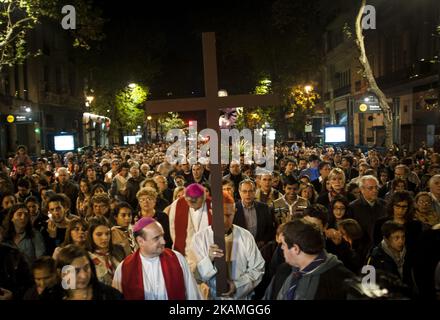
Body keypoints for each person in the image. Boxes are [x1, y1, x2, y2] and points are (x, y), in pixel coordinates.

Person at [189, 191, 265, 299]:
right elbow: (194, 276)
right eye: (220, 215)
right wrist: (209, 259)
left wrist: (237, 285)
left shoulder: (245, 236)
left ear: (235, 211)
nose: (224, 220)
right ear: (211, 212)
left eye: (229, 215)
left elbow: (258, 268)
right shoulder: (199, 239)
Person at [112, 217, 201, 300]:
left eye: (162, 236)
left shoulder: (177, 258)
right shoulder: (124, 268)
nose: (163, 241)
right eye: (156, 238)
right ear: (140, 241)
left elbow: (193, 294)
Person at [264, 219, 354, 300]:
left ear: (296, 249)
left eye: (283, 244)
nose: (281, 248)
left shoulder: (342, 281)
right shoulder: (283, 270)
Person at [57, 244, 123, 300]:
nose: (84, 275)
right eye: (76, 271)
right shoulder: (55, 296)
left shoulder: (109, 294)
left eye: (86, 267)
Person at [367, 221, 413, 293]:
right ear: (386, 239)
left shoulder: (409, 252)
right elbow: (369, 284)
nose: (401, 241)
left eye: (403, 237)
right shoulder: (375, 257)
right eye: (396, 238)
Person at [168, 183, 212, 257]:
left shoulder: (211, 205)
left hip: (207, 252)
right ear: (186, 198)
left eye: (197, 202)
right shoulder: (177, 205)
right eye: (191, 202)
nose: (193, 206)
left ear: (204, 198)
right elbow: (173, 228)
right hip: (186, 252)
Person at [348, 175, 387, 251]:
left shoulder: (385, 205)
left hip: (382, 249)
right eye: (371, 188)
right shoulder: (352, 207)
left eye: (376, 187)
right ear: (362, 190)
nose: (375, 190)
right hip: (361, 250)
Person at [233, 179, 276, 249]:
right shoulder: (233, 209)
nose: (248, 194)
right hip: (240, 248)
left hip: (261, 248)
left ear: (255, 192)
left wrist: (263, 241)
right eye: (244, 191)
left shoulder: (264, 207)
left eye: (250, 191)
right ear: (239, 192)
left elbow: (270, 229)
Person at [87, 216, 124, 286]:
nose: (105, 238)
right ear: (90, 235)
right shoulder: (87, 256)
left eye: (107, 233)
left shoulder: (119, 250)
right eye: (99, 234)